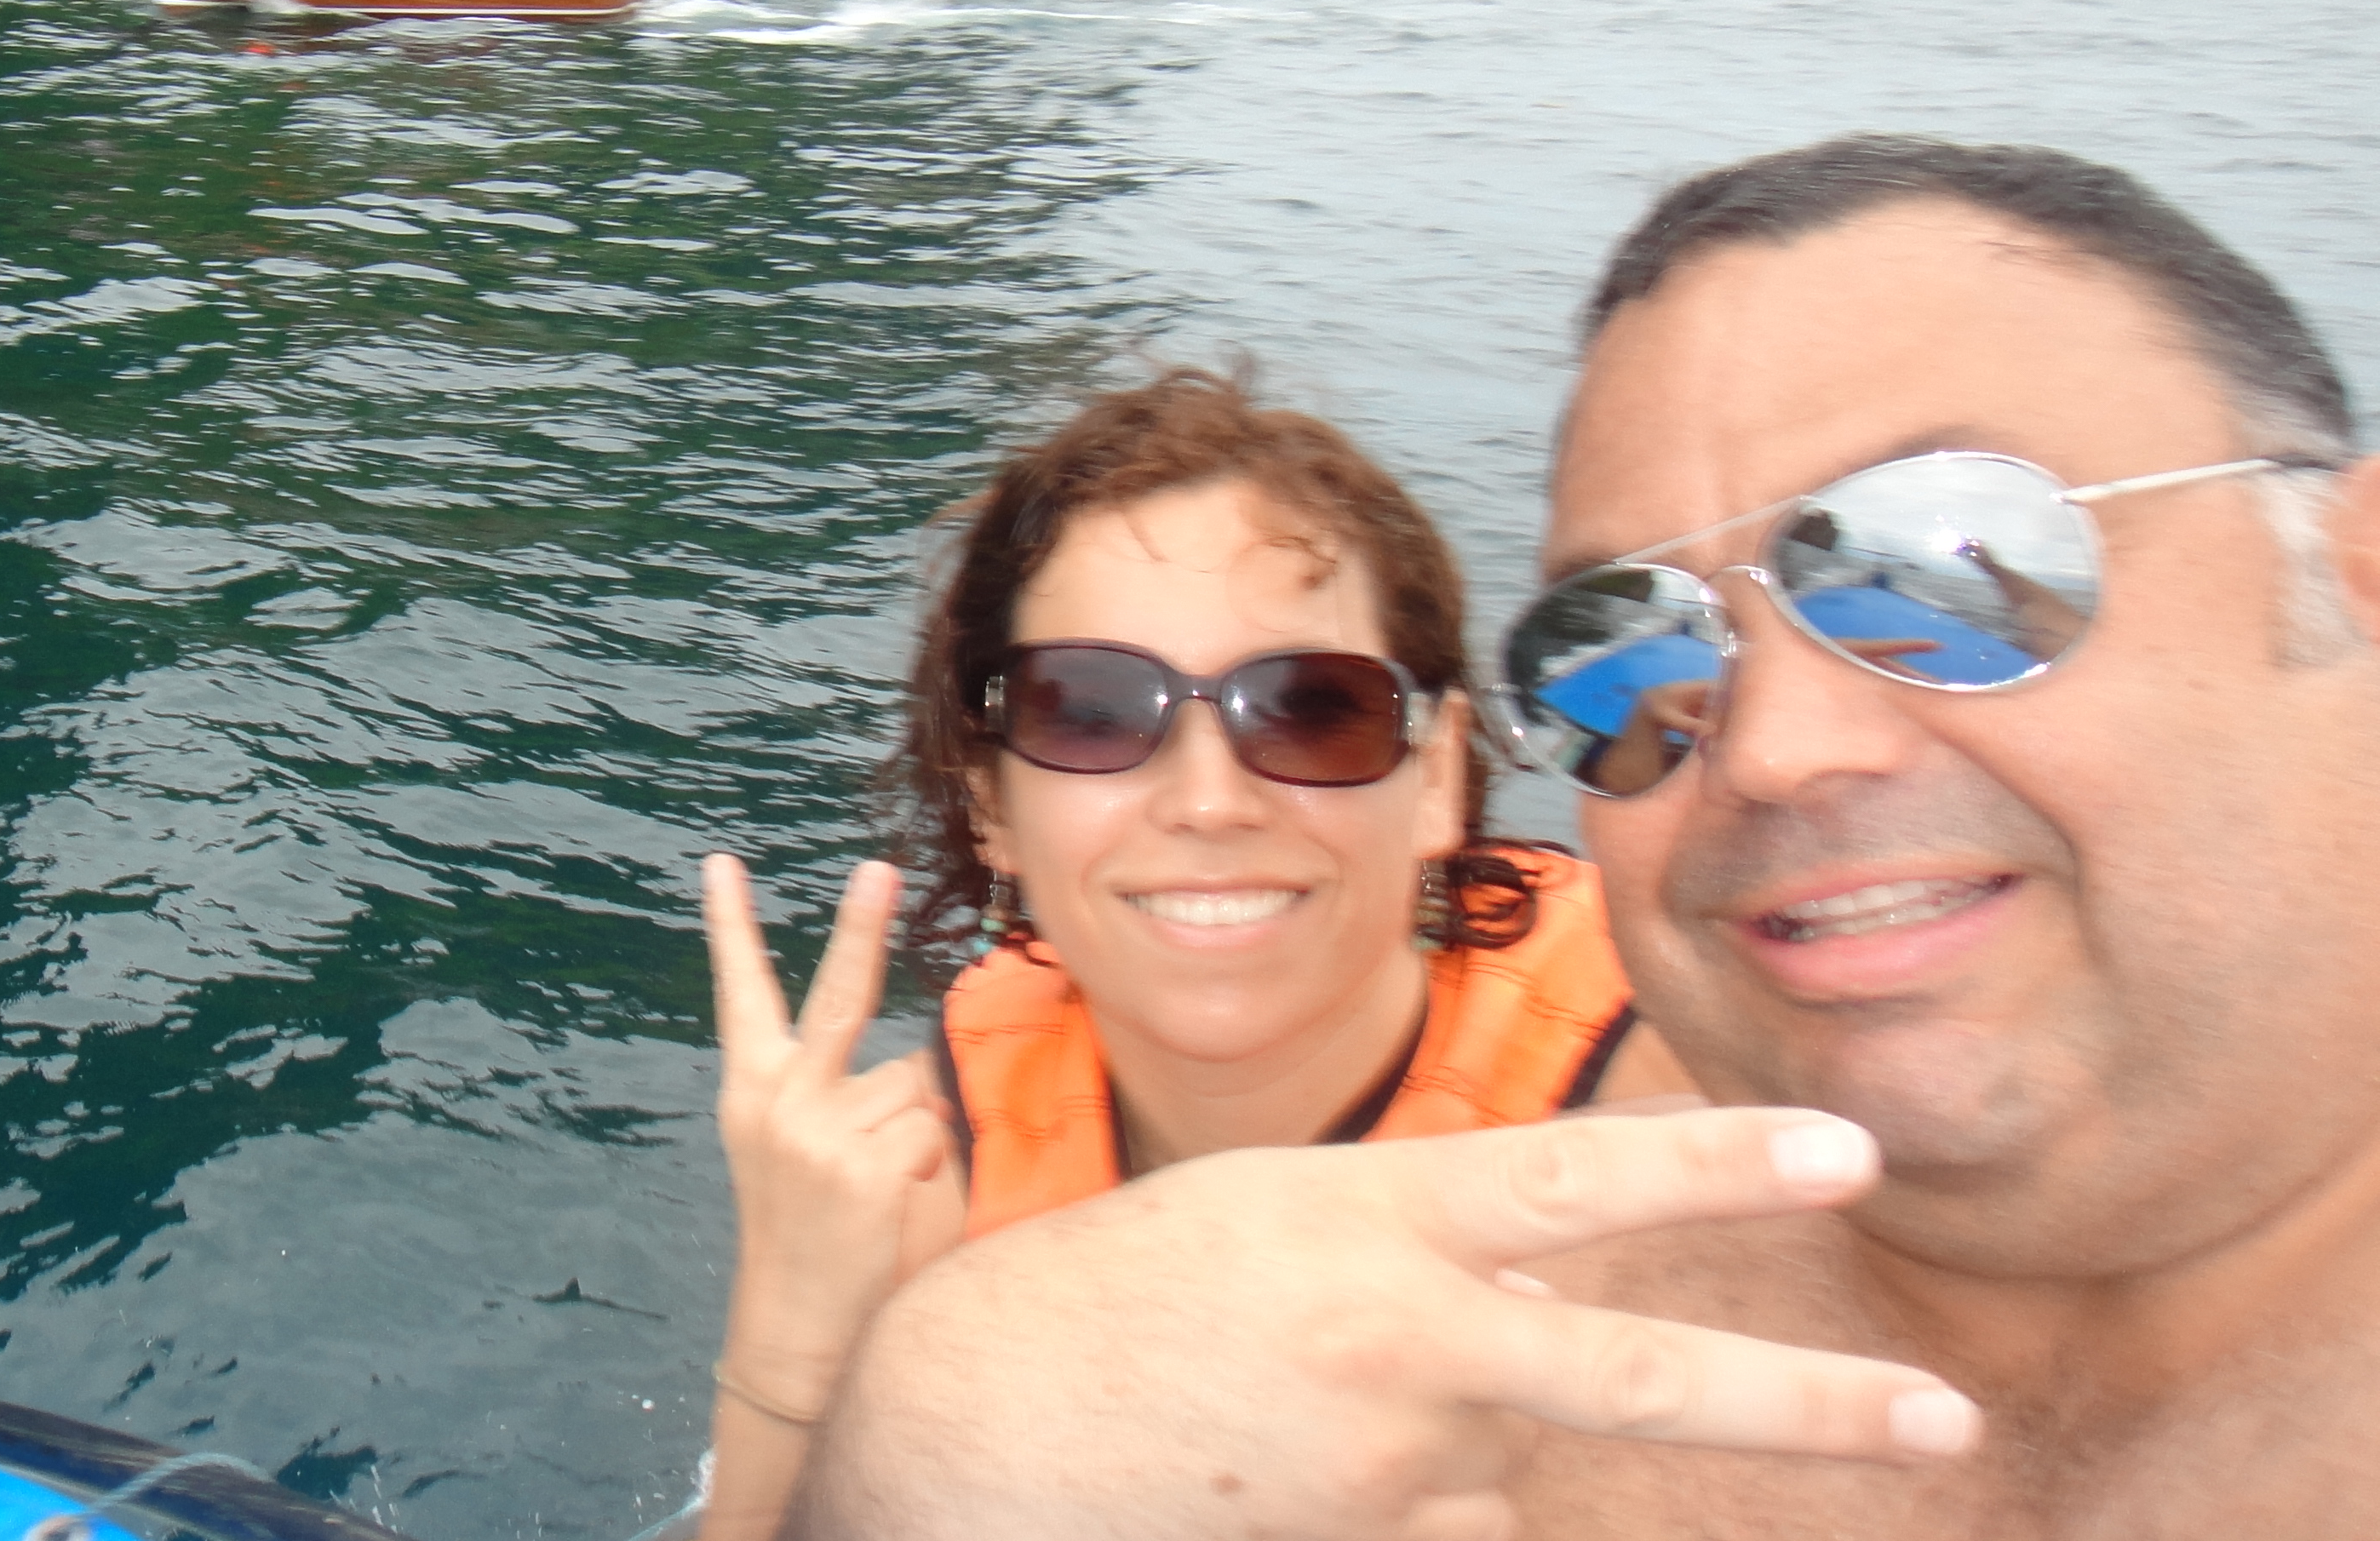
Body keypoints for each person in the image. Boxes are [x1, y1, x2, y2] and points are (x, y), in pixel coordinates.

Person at [781, 135, 2380, 1536]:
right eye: (1633, 648)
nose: (1773, 748)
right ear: (991, 798)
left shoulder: (1578, 1222)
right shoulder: (1474, 1403)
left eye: (1941, 567)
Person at [701, 371, 1685, 1541]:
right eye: (1091, 712)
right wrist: (788, 1342)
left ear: (1434, 777)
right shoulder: (915, 1192)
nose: (1210, 803)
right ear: (992, 805)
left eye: (1312, 708)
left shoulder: (1667, 1137)